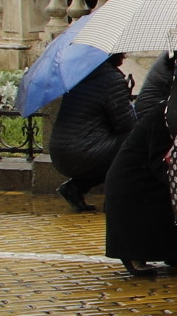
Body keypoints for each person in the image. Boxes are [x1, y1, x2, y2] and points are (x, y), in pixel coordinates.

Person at [106, 54, 177, 279]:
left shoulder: (171, 110)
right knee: (147, 220)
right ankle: (133, 255)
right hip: (135, 183)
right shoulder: (164, 114)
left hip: (147, 177)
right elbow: (158, 158)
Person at [49, 56, 134, 211]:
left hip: (61, 152)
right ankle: (115, 199)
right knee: (134, 143)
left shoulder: (81, 75)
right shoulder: (111, 79)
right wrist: (128, 101)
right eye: (122, 52)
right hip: (83, 153)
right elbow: (125, 125)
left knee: (114, 148)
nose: (124, 55)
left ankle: (74, 189)